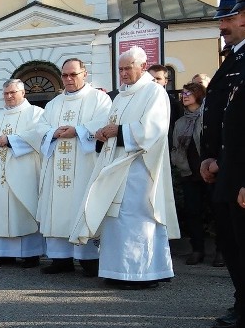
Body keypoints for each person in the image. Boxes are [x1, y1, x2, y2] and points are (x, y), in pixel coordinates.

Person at [70, 46, 179, 290]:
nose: (124, 73)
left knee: (136, 220)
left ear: (142, 65)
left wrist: (118, 132)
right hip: (115, 166)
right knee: (115, 220)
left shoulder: (154, 93)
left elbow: (153, 129)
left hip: (139, 170)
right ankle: (116, 270)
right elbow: (110, 124)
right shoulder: (121, 96)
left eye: (128, 68)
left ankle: (141, 274)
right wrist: (102, 133)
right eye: (120, 69)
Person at [202, 0, 245, 328]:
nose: (222, 25)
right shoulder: (236, 57)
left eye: (228, 17)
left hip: (241, 172)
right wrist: (210, 156)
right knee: (235, 247)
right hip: (228, 169)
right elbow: (221, 112)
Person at [37, 58, 112, 276]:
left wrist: (78, 130)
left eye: (73, 74)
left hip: (85, 164)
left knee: (84, 207)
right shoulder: (53, 104)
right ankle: (61, 259)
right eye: (65, 75)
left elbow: (105, 120)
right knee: (57, 210)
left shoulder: (99, 98)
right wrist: (53, 133)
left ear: (84, 74)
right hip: (56, 165)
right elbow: (40, 127)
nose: (69, 79)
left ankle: (89, 259)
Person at [0, 79, 48, 268]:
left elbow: (39, 135)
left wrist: (10, 140)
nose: (8, 97)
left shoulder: (36, 114)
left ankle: (30, 254)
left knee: (23, 209)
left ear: (23, 93)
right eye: (6, 94)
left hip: (24, 172)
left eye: (12, 93)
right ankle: (3, 253)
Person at [170, 83, 207, 266]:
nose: (184, 96)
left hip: (209, 172)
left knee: (217, 212)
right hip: (188, 172)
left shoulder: (207, 116)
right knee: (192, 212)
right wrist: (177, 162)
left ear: (199, 95)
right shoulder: (180, 122)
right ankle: (197, 249)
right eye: (183, 93)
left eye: (189, 93)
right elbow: (176, 147)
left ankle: (221, 252)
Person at [147, 63, 184, 147]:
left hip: (166, 145)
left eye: (158, 78)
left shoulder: (174, 104)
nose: (155, 81)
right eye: (152, 79)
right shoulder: (140, 100)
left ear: (165, 81)